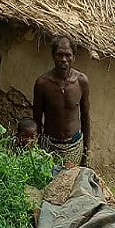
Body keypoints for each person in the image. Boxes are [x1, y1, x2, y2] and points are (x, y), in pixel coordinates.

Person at [33, 35, 91, 167]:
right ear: (53, 56)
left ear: (73, 57)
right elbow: (36, 119)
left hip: (74, 146)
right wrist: (39, 150)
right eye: (59, 55)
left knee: (73, 184)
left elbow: (85, 117)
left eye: (68, 55)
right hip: (50, 145)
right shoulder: (42, 84)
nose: (63, 59)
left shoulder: (81, 82)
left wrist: (86, 152)